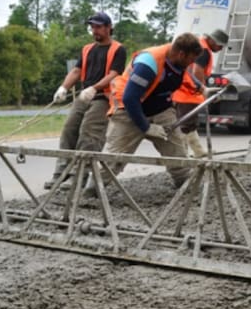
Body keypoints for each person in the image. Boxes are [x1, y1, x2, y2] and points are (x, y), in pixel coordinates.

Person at [83, 33, 203, 195]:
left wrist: (203, 89)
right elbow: (130, 98)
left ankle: (185, 185)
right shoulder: (148, 63)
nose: (192, 63)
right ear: (182, 54)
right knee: (113, 158)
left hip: (161, 109)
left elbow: (185, 76)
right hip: (128, 109)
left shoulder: (178, 61)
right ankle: (92, 190)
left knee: (177, 151)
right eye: (191, 59)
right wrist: (146, 127)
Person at [45, 12, 126, 189]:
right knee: (69, 129)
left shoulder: (118, 49)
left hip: (103, 97)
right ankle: (61, 173)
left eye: (98, 27)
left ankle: (79, 175)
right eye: (92, 27)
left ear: (108, 28)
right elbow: (76, 71)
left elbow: (114, 74)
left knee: (89, 132)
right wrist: (63, 88)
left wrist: (94, 88)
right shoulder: (88, 49)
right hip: (84, 96)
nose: (94, 30)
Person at [171, 29, 229, 158]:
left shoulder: (199, 47)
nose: (220, 49)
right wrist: (203, 91)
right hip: (188, 93)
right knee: (187, 125)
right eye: (220, 45)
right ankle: (185, 153)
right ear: (212, 41)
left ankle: (195, 151)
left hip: (182, 92)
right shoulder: (203, 51)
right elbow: (197, 71)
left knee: (187, 124)